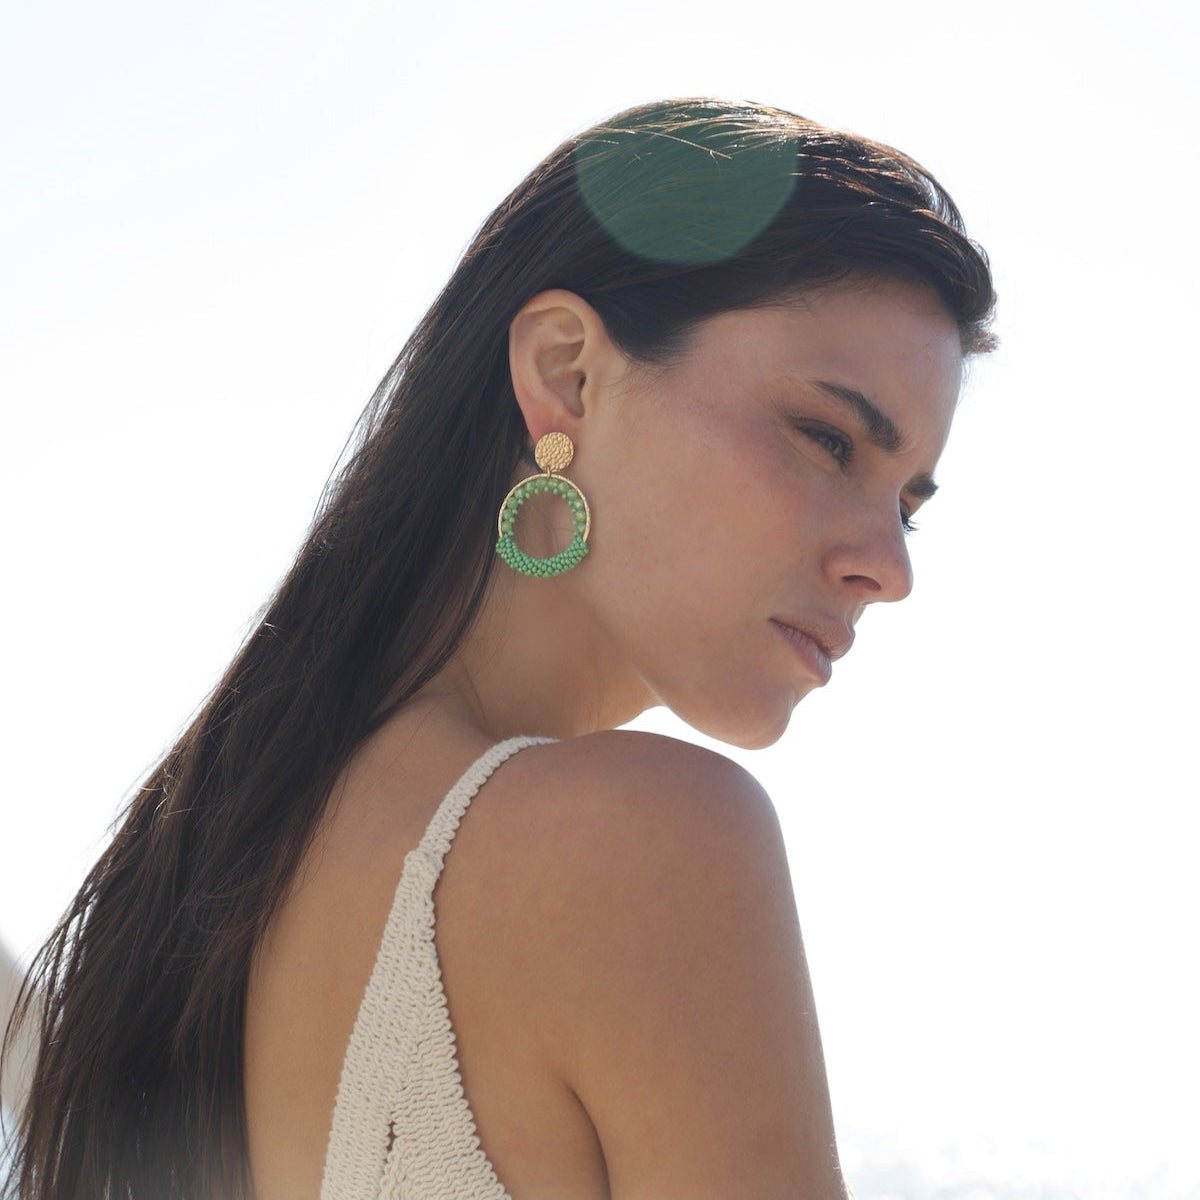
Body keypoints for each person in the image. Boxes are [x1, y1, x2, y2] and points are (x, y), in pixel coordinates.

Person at [1, 98, 996, 1199]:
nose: (888, 567)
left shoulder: (196, 882)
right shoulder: (644, 843)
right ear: (566, 374)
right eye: (827, 439)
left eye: (908, 506)